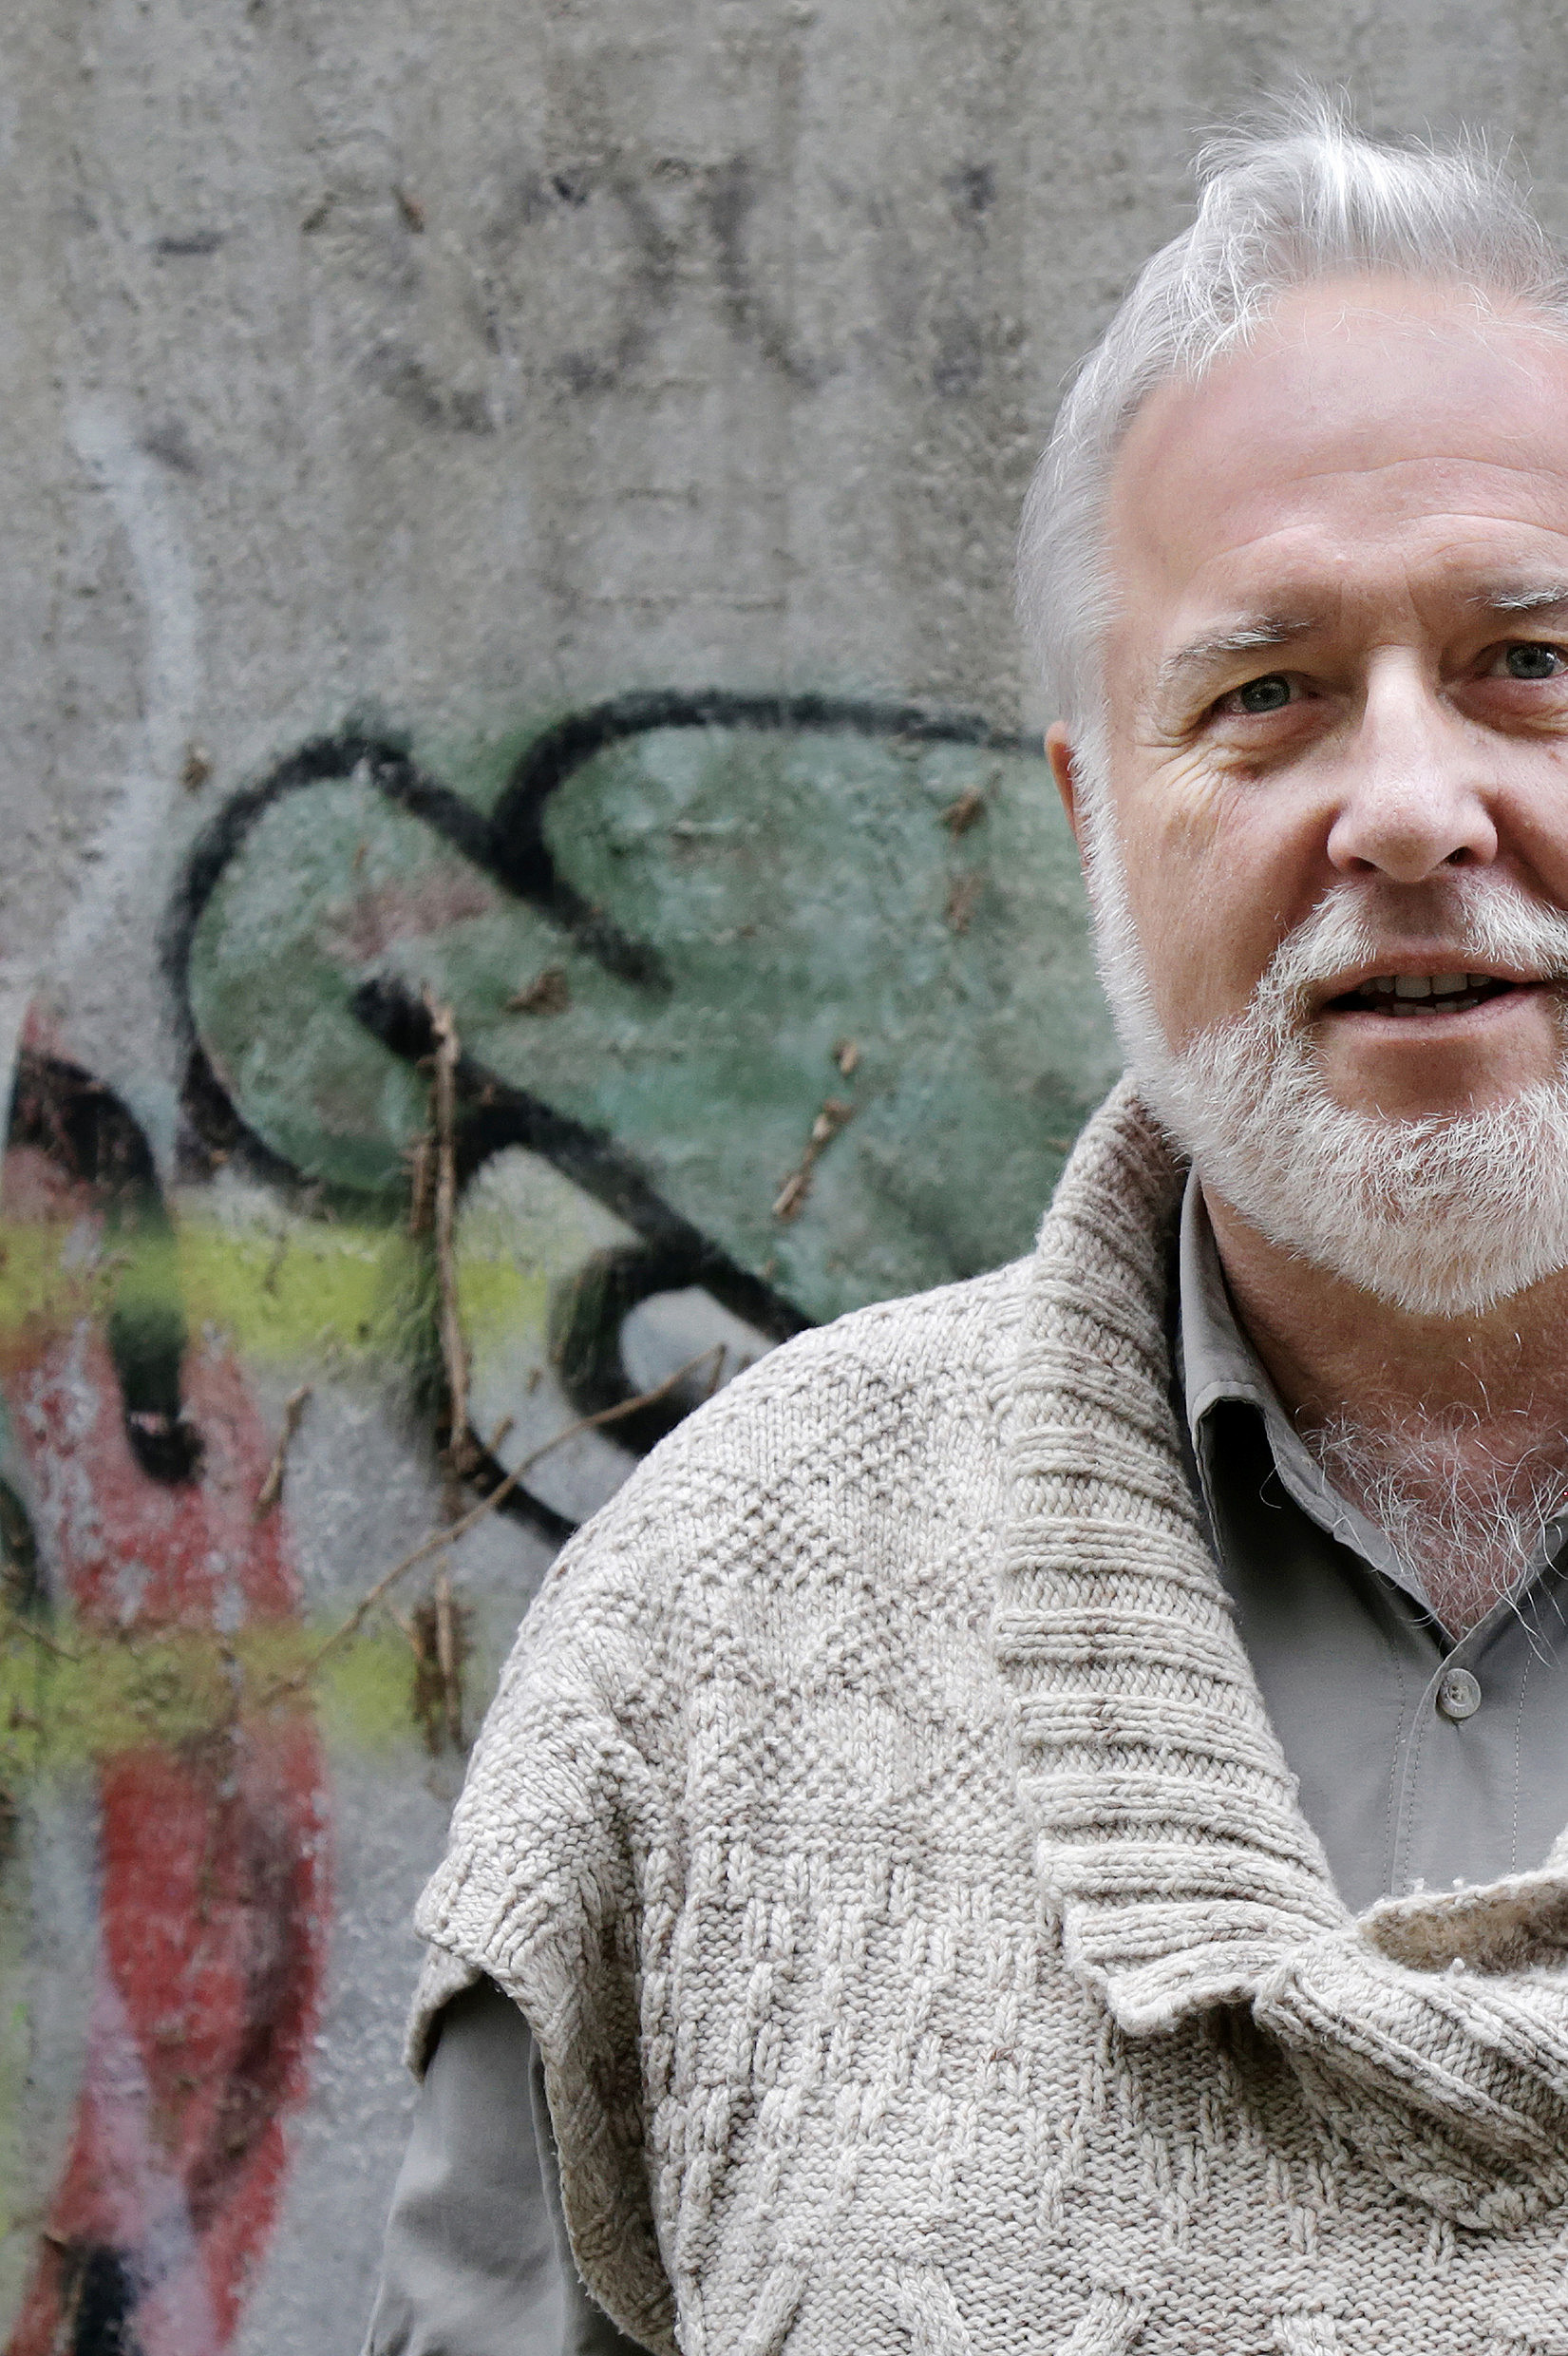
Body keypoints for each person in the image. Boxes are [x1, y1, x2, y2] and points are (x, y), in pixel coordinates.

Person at [366, 97, 1568, 2353]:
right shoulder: (706, 1640)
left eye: (1535, 662)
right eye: (1266, 694)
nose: (1412, 811)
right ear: (1091, 815)